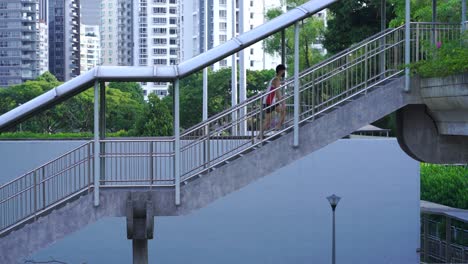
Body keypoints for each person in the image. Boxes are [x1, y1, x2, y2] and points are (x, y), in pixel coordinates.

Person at [258, 64, 286, 138]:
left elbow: (274, 93)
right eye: (283, 71)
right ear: (280, 71)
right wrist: (282, 102)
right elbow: (278, 92)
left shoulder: (275, 79)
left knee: (283, 111)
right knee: (267, 121)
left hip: (271, 101)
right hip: (268, 102)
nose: (284, 72)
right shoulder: (276, 80)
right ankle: (260, 135)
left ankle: (278, 128)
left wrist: (278, 100)